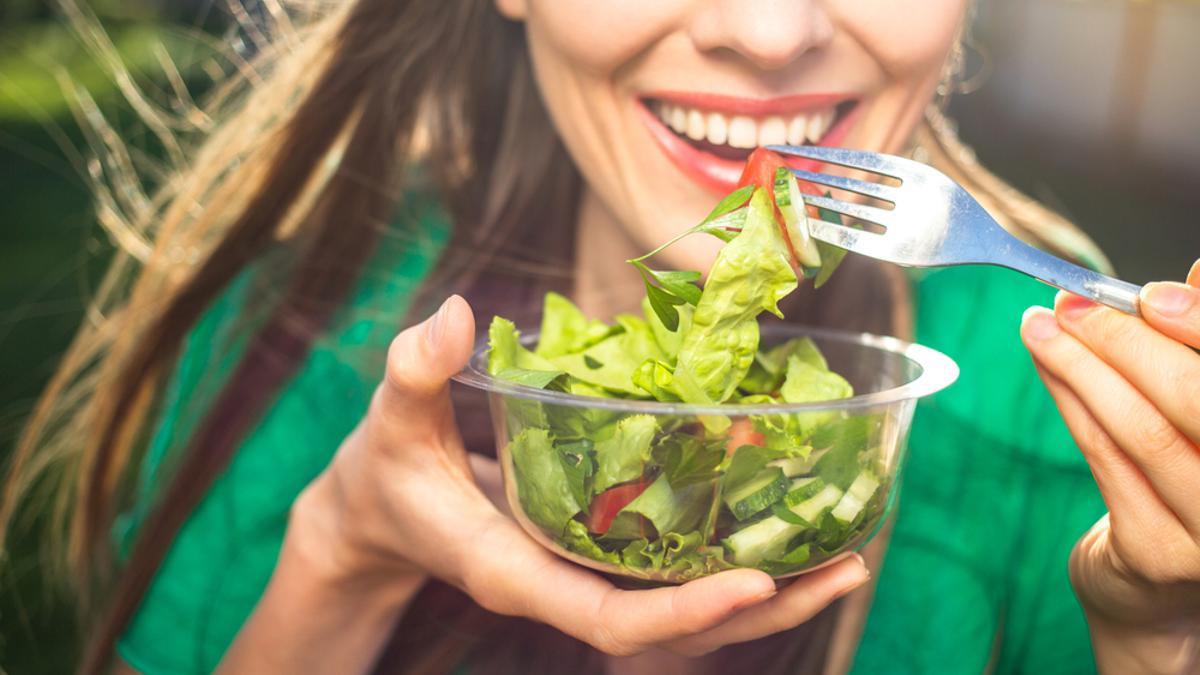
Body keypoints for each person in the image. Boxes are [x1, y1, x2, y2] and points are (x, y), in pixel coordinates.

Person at [5, 1, 1198, 673]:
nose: (772, 32)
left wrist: (1155, 635)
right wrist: (343, 553)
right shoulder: (310, 334)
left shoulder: (1074, 405)